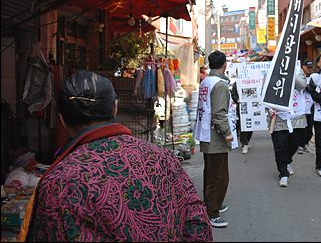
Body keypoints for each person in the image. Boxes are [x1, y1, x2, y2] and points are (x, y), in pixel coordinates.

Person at [20, 71, 212, 242]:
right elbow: (197, 220)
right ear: (115, 108)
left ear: (61, 118)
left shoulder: (58, 182)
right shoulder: (162, 157)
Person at [194, 51, 237, 228]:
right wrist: (227, 134)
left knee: (211, 173)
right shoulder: (219, 84)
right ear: (224, 64)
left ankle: (213, 204)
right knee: (219, 176)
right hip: (215, 136)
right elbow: (219, 115)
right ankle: (212, 213)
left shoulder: (206, 81)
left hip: (206, 133)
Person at [268, 64, 308, 187]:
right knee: (280, 146)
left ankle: (287, 161)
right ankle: (283, 173)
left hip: (296, 115)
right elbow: (266, 92)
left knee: (296, 142)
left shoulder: (297, 69)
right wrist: (269, 109)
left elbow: (302, 85)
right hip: (279, 116)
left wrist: (290, 72)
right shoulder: (272, 69)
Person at [231, 80, 253, 154]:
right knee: (243, 125)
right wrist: (237, 100)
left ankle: (247, 140)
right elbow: (233, 94)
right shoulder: (236, 83)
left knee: (251, 126)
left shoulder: (253, 81)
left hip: (252, 107)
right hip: (241, 107)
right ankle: (244, 144)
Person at [298, 59, 314, 154]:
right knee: (301, 129)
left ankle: (305, 144)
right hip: (301, 108)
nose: (309, 69)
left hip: (310, 107)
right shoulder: (298, 77)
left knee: (309, 129)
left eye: (311, 67)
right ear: (303, 67)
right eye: (308, 67)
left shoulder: (312, 77)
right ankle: (300, 145)